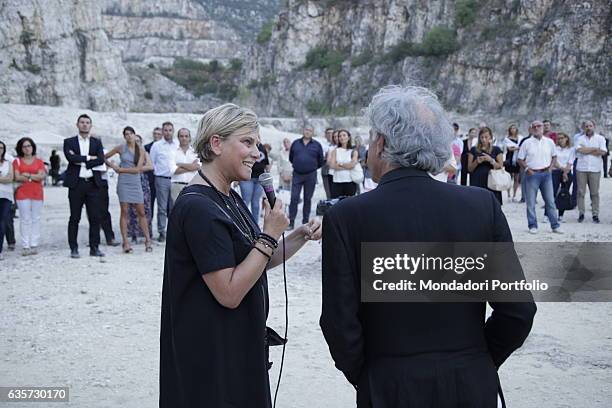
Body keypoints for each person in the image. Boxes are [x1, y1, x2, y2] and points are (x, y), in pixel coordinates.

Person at [320, 85, 536, 408]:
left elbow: (339, 323)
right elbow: (518, 311)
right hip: (470, 383)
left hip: (387, 386)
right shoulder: (481, 206)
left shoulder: (346, 217)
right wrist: (480, 359)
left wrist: (367, 373)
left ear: (381, 143)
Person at [159, 103, 322, 408]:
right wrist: (269, 234)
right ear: (216, 143)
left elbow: (257, 260)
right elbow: (230, 292)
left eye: (257, 144)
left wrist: (300, 235)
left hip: (236, 344)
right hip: (212, 356)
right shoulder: (198, 207)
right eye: (247, 143)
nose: (256, 153)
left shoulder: (227, 195)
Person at [63, 114, 107, 258]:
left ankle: (94, 248)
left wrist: (81, 160)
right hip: (76, 184)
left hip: (92, 184)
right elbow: (70, 158)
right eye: (82, 122)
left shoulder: (96, 142)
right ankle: (73, 248)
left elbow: (101, 160)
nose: (84, 125)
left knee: (95, 217)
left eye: (87, 122)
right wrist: (89, 158)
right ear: (77, 124)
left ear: (90, 125)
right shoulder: (69, 141)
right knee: (75, 217)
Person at [105, 126, 153, 253]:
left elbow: (138, 169)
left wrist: (120, 170)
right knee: (124, 212)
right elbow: (104, 157)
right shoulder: (120, 148)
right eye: (126, 134)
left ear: (134, 135)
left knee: (141, 212)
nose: (129, 136)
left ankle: (148, 240)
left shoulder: (140, 149)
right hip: (123, 182)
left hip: (134, 181)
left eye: (131, 133)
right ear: (124, 136)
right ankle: (125, 242)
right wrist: (112, 166)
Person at [517, 120, 562, 234]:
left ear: (543, 128)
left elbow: (554, 156)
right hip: (532, 174)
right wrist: (527, 169)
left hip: (546, 174)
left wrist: (551, 168)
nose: (536, 128)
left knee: (550, 201)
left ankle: (555, 225)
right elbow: (520, 159)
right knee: (531, 202)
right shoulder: (526, 143)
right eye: (534, 126)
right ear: (531, 129)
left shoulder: (550, 142)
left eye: (539, 126)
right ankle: (533, 225)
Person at [12, 137, 47, 256]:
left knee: (36, 218)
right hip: (22, 193)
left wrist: (28, 175)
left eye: (29, 146)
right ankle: (25, 245)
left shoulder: (39, 161)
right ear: (20, 148)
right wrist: (34, 176)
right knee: (24, 219)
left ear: (33, 147)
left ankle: (34, 244)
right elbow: (17, 177)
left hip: (37, 192)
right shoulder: (17, 161)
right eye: (24, 146)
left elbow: (42, 176)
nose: (27, 148)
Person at [288, 124, 324, 229]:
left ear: (312, 132)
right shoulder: (295, 143)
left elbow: (321, 161)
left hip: (311, 175)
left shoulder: (317, 145)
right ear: (303, 131)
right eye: (306, 130)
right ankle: (291, 222)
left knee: (307, 199)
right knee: (294, 198)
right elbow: (291, 158)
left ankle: (305, 222)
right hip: (297, 174)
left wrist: (310, 166)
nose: (307, 132)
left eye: (310, 130)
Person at [150, 121, 177, 242]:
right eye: (165, 130)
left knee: (175, 207)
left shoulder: (177, 144)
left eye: (170, 130)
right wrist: (158, 173)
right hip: (162, 179)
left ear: (173, 131)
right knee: (162, 207)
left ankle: (174, 231)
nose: (168, 132)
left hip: (176, 179)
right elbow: (152, 162)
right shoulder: (157, 146)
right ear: (162, 131)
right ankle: (162, 231)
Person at [575, 120, 607, 223]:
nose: (588, 128)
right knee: (580, 192)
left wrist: (586, 150)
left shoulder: (600, 138)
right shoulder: (579, 138)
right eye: (586, 126)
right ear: (583, 128)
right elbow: (579, 150)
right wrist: (594, 149)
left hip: (595, 169)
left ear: (594, 126)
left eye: (590, 126)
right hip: (581, 169)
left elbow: (602, 152)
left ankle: (595, 214)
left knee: (594, 193)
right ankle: (581, 213)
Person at [467, 127, 504, 205]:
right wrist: (476, 161)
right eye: (482, 137)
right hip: (476, 183)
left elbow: (500, 166)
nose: (483, 140)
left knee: (492, 207)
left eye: (486, 137)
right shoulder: (473, 150)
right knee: (477, 206)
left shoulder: (496, 149)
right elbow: (469, 169)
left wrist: (491, 160)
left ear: (490, 137)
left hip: (492, 183)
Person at [127, 135, 154, 243]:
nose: (137, 143)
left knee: (145, 209)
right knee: (131, 210)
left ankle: (147, 235)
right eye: (135, 141)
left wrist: (136, 169)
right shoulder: (128, 153)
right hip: (131, 182)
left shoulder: (145, 153)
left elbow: (150, 166)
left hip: (142, 182)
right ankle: (133, 234)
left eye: (139, 141)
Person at [239, 140, 269, 222]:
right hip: (247, 178)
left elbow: (266, 164)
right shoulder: (246, 145)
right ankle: (242, 223)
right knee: (246, 201)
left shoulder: (262, 148)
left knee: (256, 203)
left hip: (259, 179)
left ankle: (255, 224)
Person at [170, 128, 200, 202]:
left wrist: (180, 164)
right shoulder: (172, 152)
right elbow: (173, 170)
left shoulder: (195, 152)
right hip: (177, 186)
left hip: (192, 185)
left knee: (192, 209)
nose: (184, 138)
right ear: (178, 137)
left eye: (186, 136)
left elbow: (198, 167)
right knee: (178, 211)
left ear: (189, 138)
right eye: (181, 136)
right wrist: (191, 166)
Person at [328, 129, 359, 198]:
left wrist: (340, 164)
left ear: (349, 137)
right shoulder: (335, 151)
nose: (342, 137)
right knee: (336, 205)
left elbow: (352, 165)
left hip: (350, 182)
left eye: (344, 135)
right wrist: (347, 166)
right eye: (340, 136)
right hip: (337, 182)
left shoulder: (354, 151)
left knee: (349, 206)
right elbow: (332, 165)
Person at [552, 133, 575, 222]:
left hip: (567, 171)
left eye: (562, 138)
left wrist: (565, 172)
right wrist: (562, 169)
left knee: (564, 193)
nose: (560, 140)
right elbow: (554, 161)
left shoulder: (571, 149)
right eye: (559, 138)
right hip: (556, 171)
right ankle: (548, 214)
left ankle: (561, 215)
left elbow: (570, 162)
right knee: (552, 192)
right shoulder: (555, 148)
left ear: (566, 139)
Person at [0, 141, 14, 260]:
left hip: (6, 196)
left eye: (1, 148)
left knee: (2, 221)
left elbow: (10, 178)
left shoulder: (8, 163)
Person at [144, 127, 162, 218]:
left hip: (162, 178)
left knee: (163, 205)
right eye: (155, 134)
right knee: (149, 203)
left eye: (159, 134)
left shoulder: (165, 147)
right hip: (150, 179)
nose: (156, 136)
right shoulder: (146, 147)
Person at [504, 124, 522, 201]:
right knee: (509, 178)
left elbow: (522, 147)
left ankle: (514, 195)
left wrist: (516, 148)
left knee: (516, 178)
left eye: (514, 128)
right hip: (509, 159)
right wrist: (518, 148)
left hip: (517, 159)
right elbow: (509, 149)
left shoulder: (520, 138)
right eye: (511, 128)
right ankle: (508, 194)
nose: (513, 130)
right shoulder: (507, 139)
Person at [321, 127, 334, 199]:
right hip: (326, 170)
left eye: (332, 133)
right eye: (328, 133)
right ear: (325, 135)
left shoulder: (338, 144)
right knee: (328, 192)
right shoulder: (322, 145)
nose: (330, 135)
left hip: (336, 171)